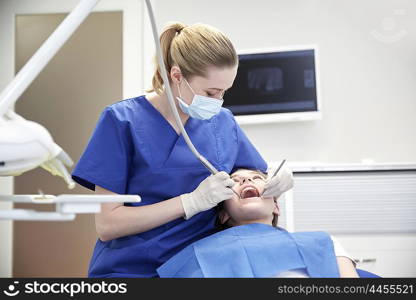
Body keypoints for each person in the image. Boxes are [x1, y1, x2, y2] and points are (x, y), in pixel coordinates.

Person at [71, 22, 294, 278]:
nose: (218, 101)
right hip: (131, 270)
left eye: (224, 91)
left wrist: (278, 176)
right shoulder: (122, 120)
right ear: (176, 76)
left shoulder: (223, 122)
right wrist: (189, 203)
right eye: (210, 92)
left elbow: (249, 174)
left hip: (203, 267)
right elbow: (108, 225)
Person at [157, 168, 359, 278]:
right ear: (223, 215)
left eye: (256, 178)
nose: (246, 182)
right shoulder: (197, 255)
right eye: (235, 181)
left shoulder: (323, 242)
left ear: (276, 207)